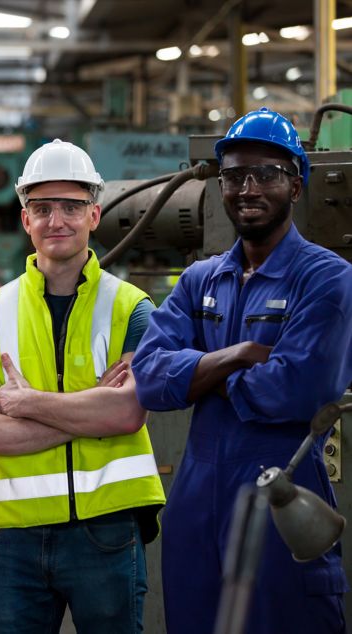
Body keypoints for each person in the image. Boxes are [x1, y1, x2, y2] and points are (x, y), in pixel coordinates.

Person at [132, 107, 352, 634]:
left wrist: (198, 378)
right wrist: (231, 358)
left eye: (266, 175)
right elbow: (151, 377)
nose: (247, 188)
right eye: (233, 176)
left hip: (284, 494)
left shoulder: (327, 278)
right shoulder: (199, 279)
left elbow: (295, 389)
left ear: (296, 187)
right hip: (195, 501)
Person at [0, 139, 166, 634]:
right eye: (42, 208)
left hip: (107, 529)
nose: (57, 220)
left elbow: (129, 414)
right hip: (12, 540)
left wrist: (27, 404)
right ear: (25, 219)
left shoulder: (132, 308)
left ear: (94, 215)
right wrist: (90, 412)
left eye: (71, 207)